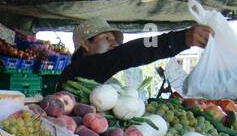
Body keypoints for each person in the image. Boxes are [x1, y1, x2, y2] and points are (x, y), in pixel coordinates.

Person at [57, 17, 212, 86]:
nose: (114, 43)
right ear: (86, 44)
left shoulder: (99, 73)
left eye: (115, 40)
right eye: (106, 38)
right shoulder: (80, 68)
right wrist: (181, 39)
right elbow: (130, 53)